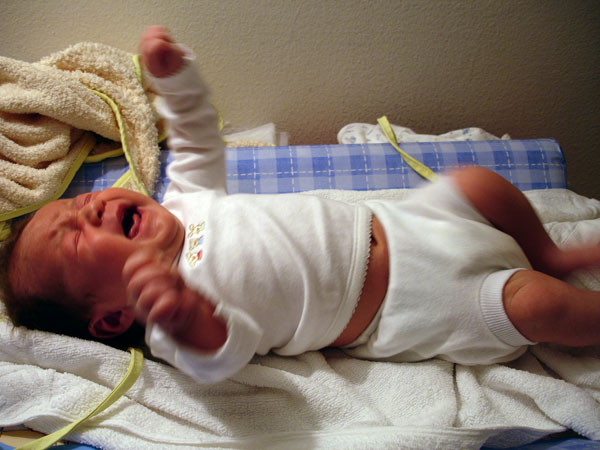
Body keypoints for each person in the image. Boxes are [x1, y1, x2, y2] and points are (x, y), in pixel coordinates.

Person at [3, 26, 600, 383]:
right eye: (74, 235)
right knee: (538, 306)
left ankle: (548, 252)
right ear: (111, 318)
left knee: (475, 182)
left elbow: (197, 139)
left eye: (81, 202)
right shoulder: (170, 326)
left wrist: (175, 81)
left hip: (411, 221)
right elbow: (222, 357)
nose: (91, 207)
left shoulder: (185, 203)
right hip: (414, 302)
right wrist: (187, 316)